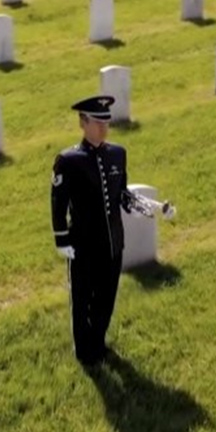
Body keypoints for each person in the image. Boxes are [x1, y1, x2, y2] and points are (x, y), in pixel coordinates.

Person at [50, 95, 139, 366]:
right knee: (82, 298)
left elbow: (121, 189)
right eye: (97, 122)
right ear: (83, 122)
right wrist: (61, 238)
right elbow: (58, 202)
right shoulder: (68, 160)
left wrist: (130, 203)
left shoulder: (118, 153)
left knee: (106, 297)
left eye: (106, 123)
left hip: (113, 242)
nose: (103, 128)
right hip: (84, 245)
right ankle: (84, 351)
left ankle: (98, 342)